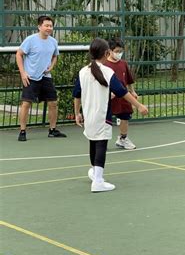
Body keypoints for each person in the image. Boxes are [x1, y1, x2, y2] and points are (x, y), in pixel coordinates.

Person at [73, 38, 148, 192]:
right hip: (102, 115)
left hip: (88, 115)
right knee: (101, 145)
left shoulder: (83, 71)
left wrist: (77, 113)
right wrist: (139, 105)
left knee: (93, 143)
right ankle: (98, 181)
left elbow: (77, 95)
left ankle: (95, 173)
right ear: (107, 53)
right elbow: (122, 91)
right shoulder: (107, 72)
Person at [15, 15, 67, 141]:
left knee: (53, 103)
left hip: (46, 77)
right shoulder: (30, 40)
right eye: (46, 25)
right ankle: (22, 131)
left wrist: (51, 67)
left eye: (51, 26)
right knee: (26, 104)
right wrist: (23, 73)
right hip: (30, 77)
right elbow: (19, 54)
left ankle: (52, 130)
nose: (49, 28)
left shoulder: (53, 42)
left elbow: (55, 56)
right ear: (39, 26)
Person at [103, 37, 138, 150]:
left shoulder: (123, 64)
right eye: (117, 51)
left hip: (123, 95)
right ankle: (101, 141)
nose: (119, 54)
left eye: (120, 51)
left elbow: (128, 80)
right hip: (109, 97)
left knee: (125, 116)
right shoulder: (104, 65)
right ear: (110, 51)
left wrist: (132, 91)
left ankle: (123, 139)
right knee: (105, 119)